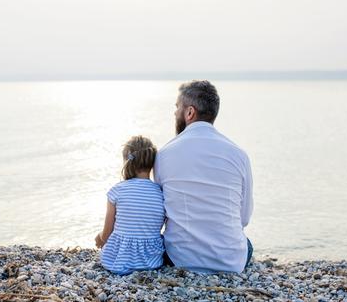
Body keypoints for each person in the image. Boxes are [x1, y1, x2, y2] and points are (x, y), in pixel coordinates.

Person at [154, 80, 253, 273]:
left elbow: (160, 215)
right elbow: (244, 217)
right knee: (246, 244)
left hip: (179, 259)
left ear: (190, 112)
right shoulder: (239, 155)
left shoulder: (164, 155)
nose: (175, 113)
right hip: (231, 261)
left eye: (177, 108)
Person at [95, 135, 165, 275]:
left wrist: (100, 238)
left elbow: (107, 233)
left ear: (127, 161)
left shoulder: (117, 190)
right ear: (152, 163)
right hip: (152, 261)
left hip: (119, 260)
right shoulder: (161, 192)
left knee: (103, 238)